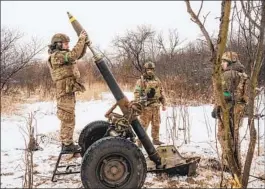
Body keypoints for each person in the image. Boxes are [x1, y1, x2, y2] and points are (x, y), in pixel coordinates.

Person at [47, 30, 89, 152]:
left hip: (68, 89)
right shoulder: (57, 56)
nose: (68, 45)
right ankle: (67, 144)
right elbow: (73, 55)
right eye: (65, 43)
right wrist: (81, 39)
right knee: (67, 117)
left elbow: (78, 54)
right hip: (63, 91)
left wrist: (84, 44)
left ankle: (67, 142)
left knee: (70, 116)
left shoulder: (63, 55)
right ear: (58, 44)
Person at [212, 51, 249, 170]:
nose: (222, 64)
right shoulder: (242, 74)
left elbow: (223, 94)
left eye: (224, 61)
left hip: (228, 109)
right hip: (238, 109)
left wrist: (217, 107)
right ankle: (236, 163)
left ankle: (228, 165)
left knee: (224, 136)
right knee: (234, 136)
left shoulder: (228, 75)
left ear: (230, 62)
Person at [134, 61, 167, 145]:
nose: (150, 71)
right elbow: (136, 93)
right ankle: (139, 142)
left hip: (156, 106)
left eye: (151, 69)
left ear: (154, 69)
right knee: (143, 125)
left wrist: (164, 103)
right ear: (145, 70)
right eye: (148, 69)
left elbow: (161, 91)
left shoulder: (157, 80)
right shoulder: (141, 81)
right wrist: (139, 104)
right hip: (146, 107)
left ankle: (156, 139)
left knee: (156, 124)